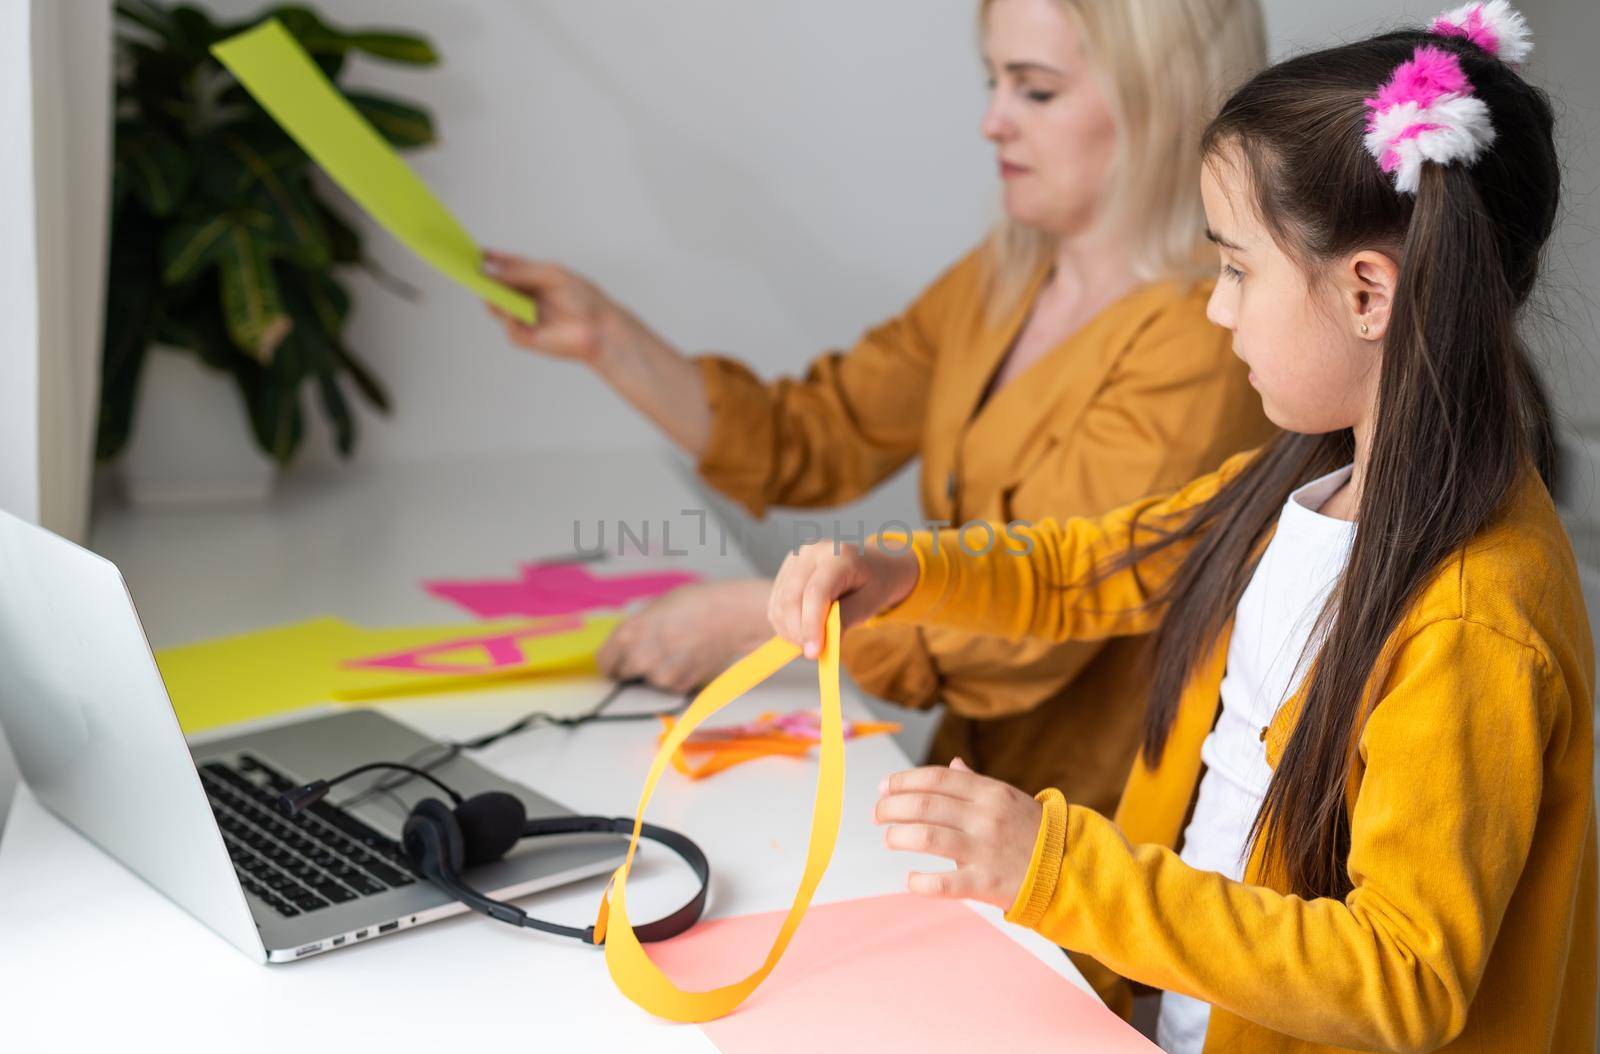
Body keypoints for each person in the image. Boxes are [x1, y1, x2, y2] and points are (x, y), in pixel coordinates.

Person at [767, 4, 1595, 1054]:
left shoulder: (1477, 618)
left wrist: (1054, 865)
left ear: (1365, 291)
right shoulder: (1305, 480)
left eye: (1237, 268)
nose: (1216, 309)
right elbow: (1086, 568)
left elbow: (1403, 974)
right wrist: (903, 570)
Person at [484, 0, 1272, 816]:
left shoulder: (1203, 340)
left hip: (1098, 839)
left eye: (1034, 91)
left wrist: (761, 617)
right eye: (992, 82)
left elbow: (1035, 619)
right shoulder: (1004, 276)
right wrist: (605, 337)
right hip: (971, 794)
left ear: (1164, 100)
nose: (991, 122)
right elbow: (815, 437)